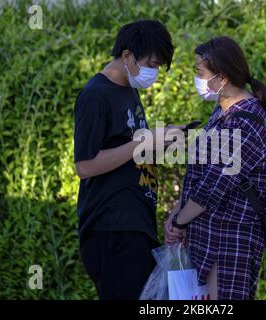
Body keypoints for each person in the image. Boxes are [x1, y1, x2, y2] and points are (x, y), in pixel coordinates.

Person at [74, 20, 181, 300]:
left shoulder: (129, 92)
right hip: (112, 226)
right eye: (153, 64)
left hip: (137, 223)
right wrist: (144, 142)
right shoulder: (95, 96)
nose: (154, 73)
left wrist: (162, 141)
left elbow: (129, 150)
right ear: (126, 55)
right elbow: (85, 166)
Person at [164, 36, 266, 300]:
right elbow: (199, 176)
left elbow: (213, 189)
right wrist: (176, 214)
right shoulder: (223, 112)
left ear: (222, 78)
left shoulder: (244, 123)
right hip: (208, 239)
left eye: (200, 72)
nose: (197, 78)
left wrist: (179, 221)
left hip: (228, 245)